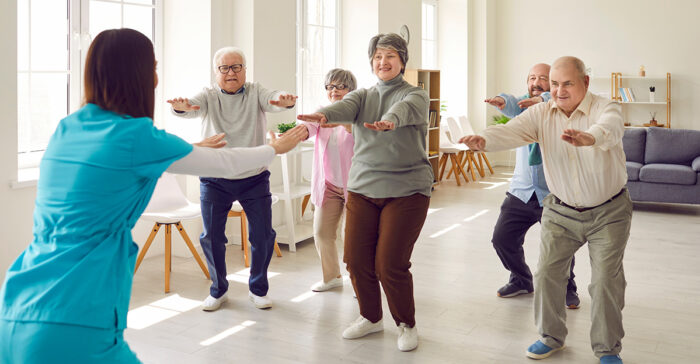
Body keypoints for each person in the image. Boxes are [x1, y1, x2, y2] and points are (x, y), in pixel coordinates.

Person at [0, 29, 305, 363]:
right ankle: (219, 288)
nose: (157, 78)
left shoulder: (68, 127)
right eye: (153, 68)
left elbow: (153, 160)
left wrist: (192, 149)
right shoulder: (136, 136)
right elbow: (225, 162)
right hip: (75, 311)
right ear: (140, 77)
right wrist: (274, 148)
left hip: (19, 299)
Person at [460, 56, 630, 364]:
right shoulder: (540, 113)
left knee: (605, 280)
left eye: (567, 84)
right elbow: (511, 131)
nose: (559, 91)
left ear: (585, 83)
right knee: (549, 273)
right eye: (554, 84)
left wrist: (589, 137)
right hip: (561, 210)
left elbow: (610, 129)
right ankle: (551, 337)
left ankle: (607, 349)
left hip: (608, 212)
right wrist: (482, 139)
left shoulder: (606, 108)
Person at [298, 33, 433, 352]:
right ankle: (371, 318)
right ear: (372, 62)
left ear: (402, 60)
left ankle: (406, 323)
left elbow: (405, 108)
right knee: (356, 259)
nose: (383, 62)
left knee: (389, 263)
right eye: (377, 57)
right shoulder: (362, 96)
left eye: (390, 56)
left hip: (407, 189)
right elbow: (344, 105)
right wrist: (324, 115)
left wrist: (389, 121)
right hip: (362, 188)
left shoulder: (416, 94)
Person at [168, 46, 298, 311]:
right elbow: (191, 106)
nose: (230, 73)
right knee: (212, 236)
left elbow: (273, 99)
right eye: (224, 68)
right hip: (215, 178)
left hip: (254, 177)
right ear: (216, 72)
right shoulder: (208, 95)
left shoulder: (255, 92)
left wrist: (285, 100)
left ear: (245, 70)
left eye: (236, 67)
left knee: (263, 235)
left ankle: (258, 288)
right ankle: (218, 290)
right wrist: (181, 108)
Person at [484, 63, 580, 309]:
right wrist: (503, 101)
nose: (536, 82)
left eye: (543, 78)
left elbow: (552, 101)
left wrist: (545, 100)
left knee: (560, 245)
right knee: (501, 239)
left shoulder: (561, 107)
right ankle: (521, 279)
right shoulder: (524, 108)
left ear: (554, 83)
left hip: (553, 192)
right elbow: (513, 103)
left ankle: (568, 287)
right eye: (532, 78)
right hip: (522, 191)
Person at [299, 69, 357, 292]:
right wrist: (295, 133)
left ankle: (360, 284)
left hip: (355, 186)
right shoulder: (321, 113)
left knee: (353, 239)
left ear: (351, 90)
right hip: (329, 185)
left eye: (340, 86)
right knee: (323, 232)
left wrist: (343, 122)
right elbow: (308, 127)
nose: (334, 91)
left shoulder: (358, 113)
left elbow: (363, 135)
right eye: (330, 87)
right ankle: (331, 277)